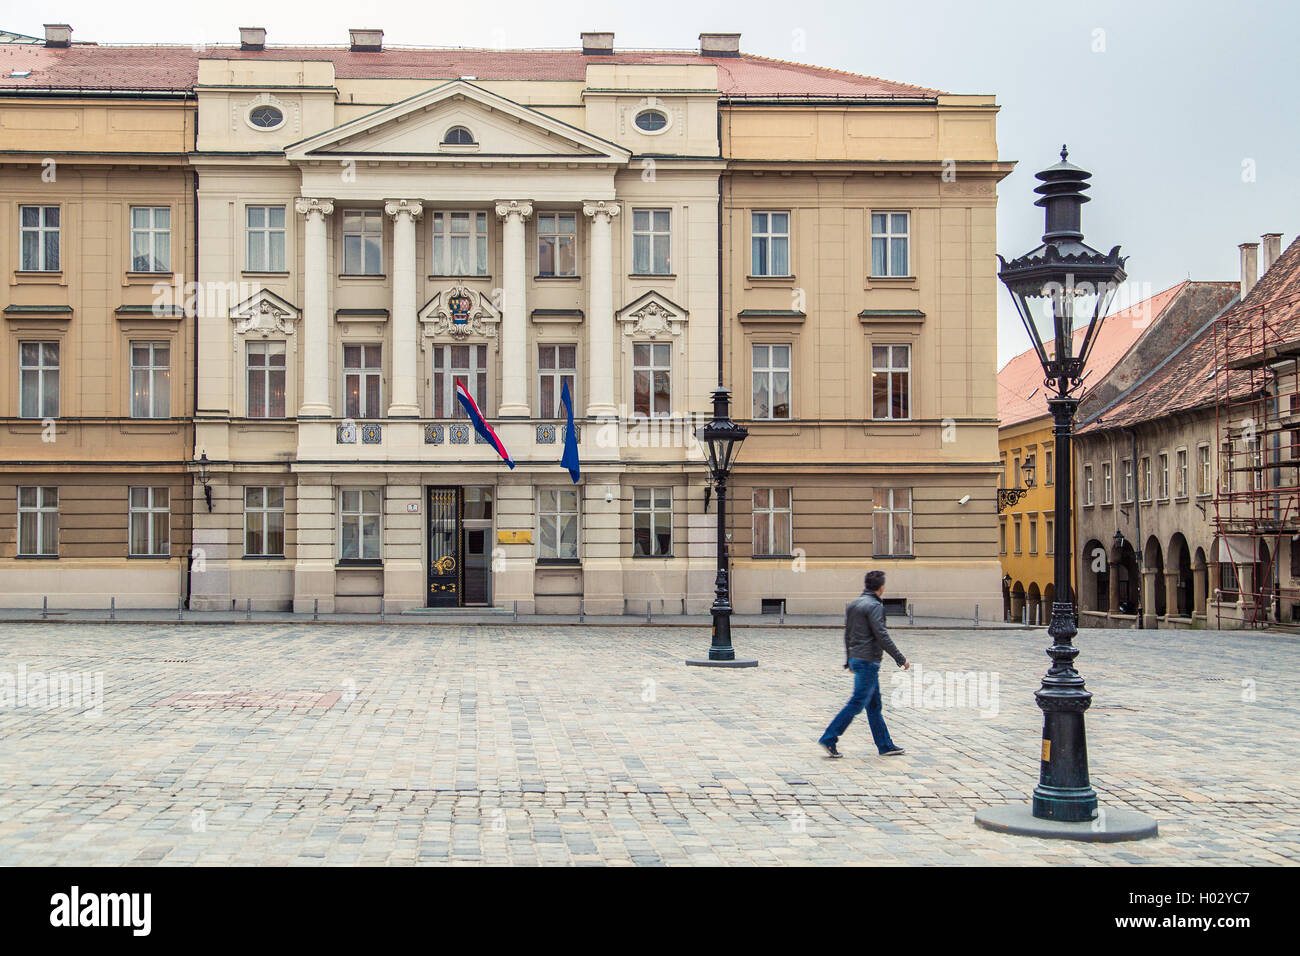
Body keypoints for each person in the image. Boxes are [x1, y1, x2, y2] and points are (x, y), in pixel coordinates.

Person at [818, 570, 910, 758]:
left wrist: (849, 660)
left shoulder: (855, 604)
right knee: (858, 702)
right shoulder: (874, 606)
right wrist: (900, 659)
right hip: (868, 661)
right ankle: (829, 738)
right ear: (881, 587)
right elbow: (881, 635)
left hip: (858, 659)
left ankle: (885, 745)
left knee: (874, 705)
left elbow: (847, 634)